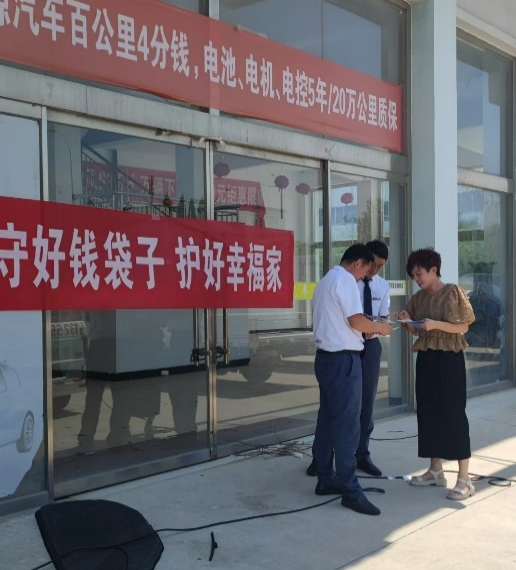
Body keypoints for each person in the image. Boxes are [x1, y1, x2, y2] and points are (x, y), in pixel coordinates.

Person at [311, 243, 392, 516]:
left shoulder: (326, 280)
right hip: (344, 361)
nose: (363, 278)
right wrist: (380, 327)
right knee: (347, 426)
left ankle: (325, 477)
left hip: (326, 359)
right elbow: (357, 321)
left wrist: (364, 328)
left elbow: (343, 321)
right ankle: (351, 490)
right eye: (365, 271)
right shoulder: (345, 280)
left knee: (327, 421)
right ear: (358, 263)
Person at [398, 248, 476, 500]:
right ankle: (435, 470)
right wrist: (408, 320)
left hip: (450, 359)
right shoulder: (418, 298)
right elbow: (416, 330)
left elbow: (463, 325)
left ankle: (464, 478)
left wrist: (434, 324)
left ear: (434, 270)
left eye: (419, 273)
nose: (416, 279)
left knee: (453, 413)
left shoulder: (452, 292)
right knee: (428, 412)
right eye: (413, 275)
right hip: (427, 358)